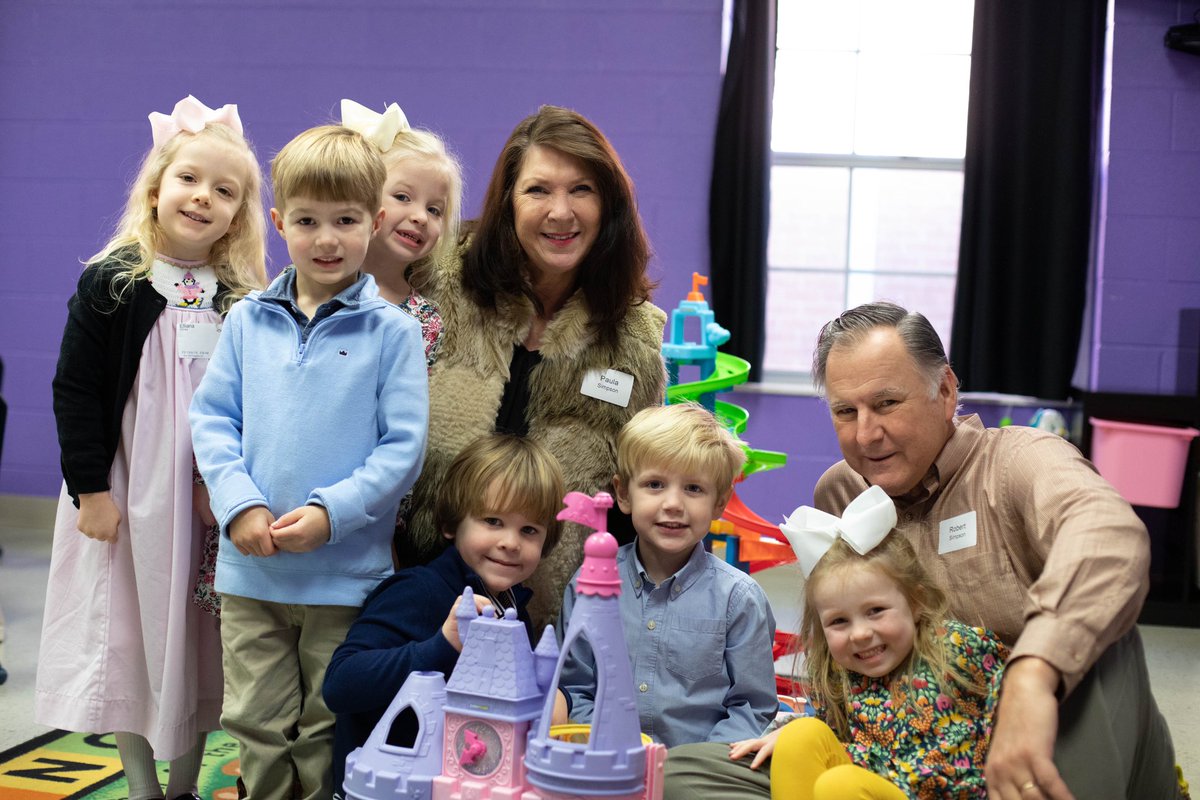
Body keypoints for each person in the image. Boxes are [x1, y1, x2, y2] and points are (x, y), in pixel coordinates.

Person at [663, 301, 1183, 800]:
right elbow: (845, 646)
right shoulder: (842, 495)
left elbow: (1109, 538)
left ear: (947, 390)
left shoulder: (1020, 464)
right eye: (846, 411)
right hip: (902, 760)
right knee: (685, 775)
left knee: (1103, 641)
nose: (867, 433)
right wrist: (816, 728)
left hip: (1043, 737)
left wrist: (1034, 673)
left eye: (887, 403)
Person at [36, 95, 267, 800]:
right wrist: (92, 492)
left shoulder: (237, 297)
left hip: (200, 503)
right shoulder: (113, 282)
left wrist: (223, 489)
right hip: (128, 496)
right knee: (131, 644)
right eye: (190, 180)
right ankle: (141, 787)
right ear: (156, 187)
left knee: (196, 646)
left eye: (224, 191)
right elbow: (75, 390)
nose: (203, 198)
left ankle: (186, 786)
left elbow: (247, 404)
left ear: (238, 213)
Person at [189, 124, 428, 800]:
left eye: (346, 220)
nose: (327, 238)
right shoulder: (245, 320)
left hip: (344, 579)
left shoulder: (394, 332)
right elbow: (211, 420)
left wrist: (332, 513)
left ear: (375, 222)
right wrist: (239, 505)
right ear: (278, 222)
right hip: (252, 572)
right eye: (307, 220)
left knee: (327, 724)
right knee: (255, 723)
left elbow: (402, 448)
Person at [402, 105, 668, 628]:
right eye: (538, 190)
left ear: (609, 204)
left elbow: (640, 489)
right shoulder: (437, 287)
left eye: (582, 190)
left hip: (554, 621)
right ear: (508, 202)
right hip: (414, 592)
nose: (561, 212)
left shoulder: (634, 339)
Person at [323, 434, 568, 797]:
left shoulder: (513, 608)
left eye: (529, 530)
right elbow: (339, 685)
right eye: (493, 521)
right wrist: (442, 644)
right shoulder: (419, 590)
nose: (511, 542)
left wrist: (553, 695)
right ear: (452, 524)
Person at [733, 485, 1007, 799]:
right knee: (799, 736)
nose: (860, 633)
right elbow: (825, 733)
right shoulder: (838, 672)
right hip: (871, 785)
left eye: (875, 611)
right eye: (839, 621)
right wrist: (788, 734)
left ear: (916, 602)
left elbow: (1018, 685)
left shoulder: (956, 649)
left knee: (841, 785)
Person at [558, 402, 778, 748]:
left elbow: (752, 708)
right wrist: (611, 745)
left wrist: (688, 768)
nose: (673, 504)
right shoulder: (590, 583)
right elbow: (575, 689)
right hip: (605, 760)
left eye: (693, 489)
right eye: (655, 484)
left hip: (696, 775)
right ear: (623, 493)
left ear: (719, 503)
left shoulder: (739, 600)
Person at [339, 98, 463, 369]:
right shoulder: (308, 283)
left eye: (434, 210)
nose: (420, 217)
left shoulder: (424, 321)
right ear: (363, 193)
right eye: (403, 197)